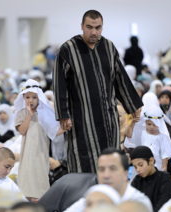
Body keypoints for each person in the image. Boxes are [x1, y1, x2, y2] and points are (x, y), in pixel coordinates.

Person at [53, 10, 143, 173]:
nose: (93, 32)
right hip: (81, 119)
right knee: (83, 161)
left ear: (102, 27)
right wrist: (63, 114)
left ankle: (111, 195)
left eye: (97, 27)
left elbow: (120, 78)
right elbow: (59, 83)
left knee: (111, 158)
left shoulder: (108, 47)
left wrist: (133, 106)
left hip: (108, 117)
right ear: (82, 26)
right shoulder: (69, 49)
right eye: (89, 27)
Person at [15, 79, 65, 201]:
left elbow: (54, 133)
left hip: (41, 153)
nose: (30, 100)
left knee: (41, 183)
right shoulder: (22, 113)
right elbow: (22, 131)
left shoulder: (46, 114)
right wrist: (29, 115)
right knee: (26, 182)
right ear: (23, 97)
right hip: (27, 154)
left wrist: (65, 128)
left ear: (39, 98)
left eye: (34, 97)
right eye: (27, 97)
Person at [65, 148, 152, 212]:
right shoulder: (93, 198)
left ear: (125, 174)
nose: (106, 175)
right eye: (101, 169)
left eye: (113, 169)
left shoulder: (138, 202)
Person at [125, 107, 171, 171]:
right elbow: (129, 135)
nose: (152, 127)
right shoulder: (141, 132)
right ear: (145, 121)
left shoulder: (162, 136)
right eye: (149, 124)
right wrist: (132, 123)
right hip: (141, 164)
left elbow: (164, 153)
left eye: (155, 125)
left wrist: (165, 165)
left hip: (157, 165)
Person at [130, 146, 171, 212]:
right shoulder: (137, 181)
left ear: (151, 161)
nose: (138, 170)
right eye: (135, 167)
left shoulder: (165, 178)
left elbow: (163, 204)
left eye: (140, 165)